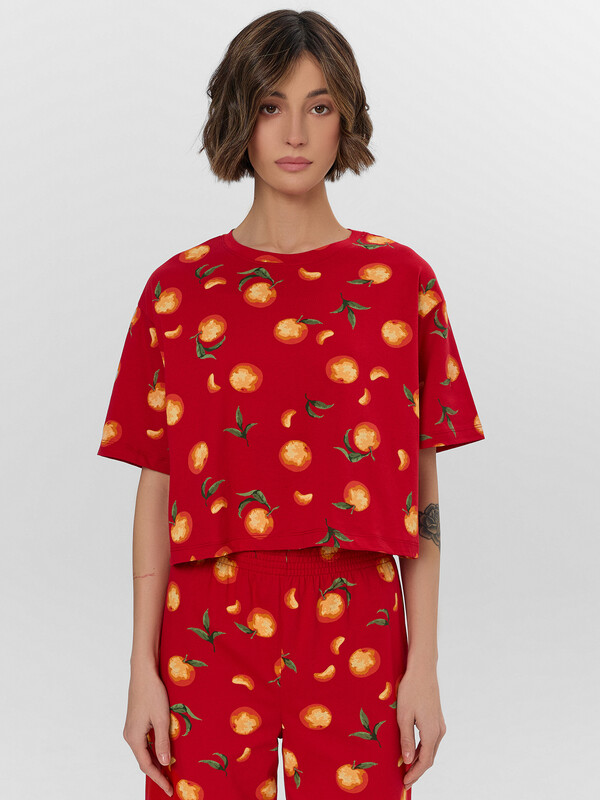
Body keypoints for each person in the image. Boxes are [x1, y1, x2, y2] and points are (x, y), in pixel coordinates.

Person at [97, 10, 485, 799]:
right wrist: (141, 668)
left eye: (320, 105)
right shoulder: (178, 290)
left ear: (347, 117)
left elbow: (422, 488)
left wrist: (425, 664)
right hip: (207, 615)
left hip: (359, 611)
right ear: (239, 118)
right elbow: (157, 481)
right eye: (271, 105)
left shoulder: (399, 284)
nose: (295, 133)